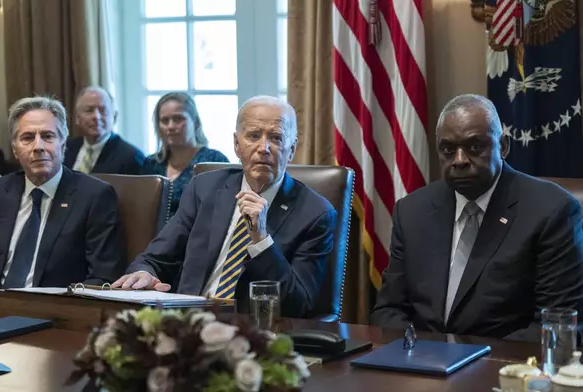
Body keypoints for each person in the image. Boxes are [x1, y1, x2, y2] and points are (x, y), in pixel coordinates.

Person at [371, 94, 583, 341]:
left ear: (503, 146)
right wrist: (420, 354)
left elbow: (557, 325)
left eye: (474, 147)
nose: (459, 161)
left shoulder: (551, 211)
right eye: (448, 150)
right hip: (423, 367)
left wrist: (469, 362)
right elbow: (388, 310)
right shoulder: (411, 211)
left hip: (504, 370)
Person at [113, 96, 337, 318]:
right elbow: (155, 258)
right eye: (253, 136)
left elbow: (298, 305)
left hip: (254, 334)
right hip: (186, 325)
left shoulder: (316, 214)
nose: (263, 148)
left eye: (276, 137)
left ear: (292, 150)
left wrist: (261, 241)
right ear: (237, 145)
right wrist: (144, 273)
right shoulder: (204, 188)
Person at [0, 95, 127, 289]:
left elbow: (104, 278)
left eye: (47, 136)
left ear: (62, 143)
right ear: (15, 149)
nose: (38, 147)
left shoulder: (95, 197)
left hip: (57, 311)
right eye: (27, 138)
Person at [141, 92, 229, 217]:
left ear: (195, 122)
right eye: (164, 120)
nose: (170, 126)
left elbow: (223, 211)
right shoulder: (151, 163)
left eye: (178, 119)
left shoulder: (214, 161)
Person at [64, 86, 145, 175]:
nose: (96, 117)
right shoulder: (65, 149)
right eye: (89, 110)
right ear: (77, 118)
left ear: (114, 117)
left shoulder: (132, 157)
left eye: (103, 111)